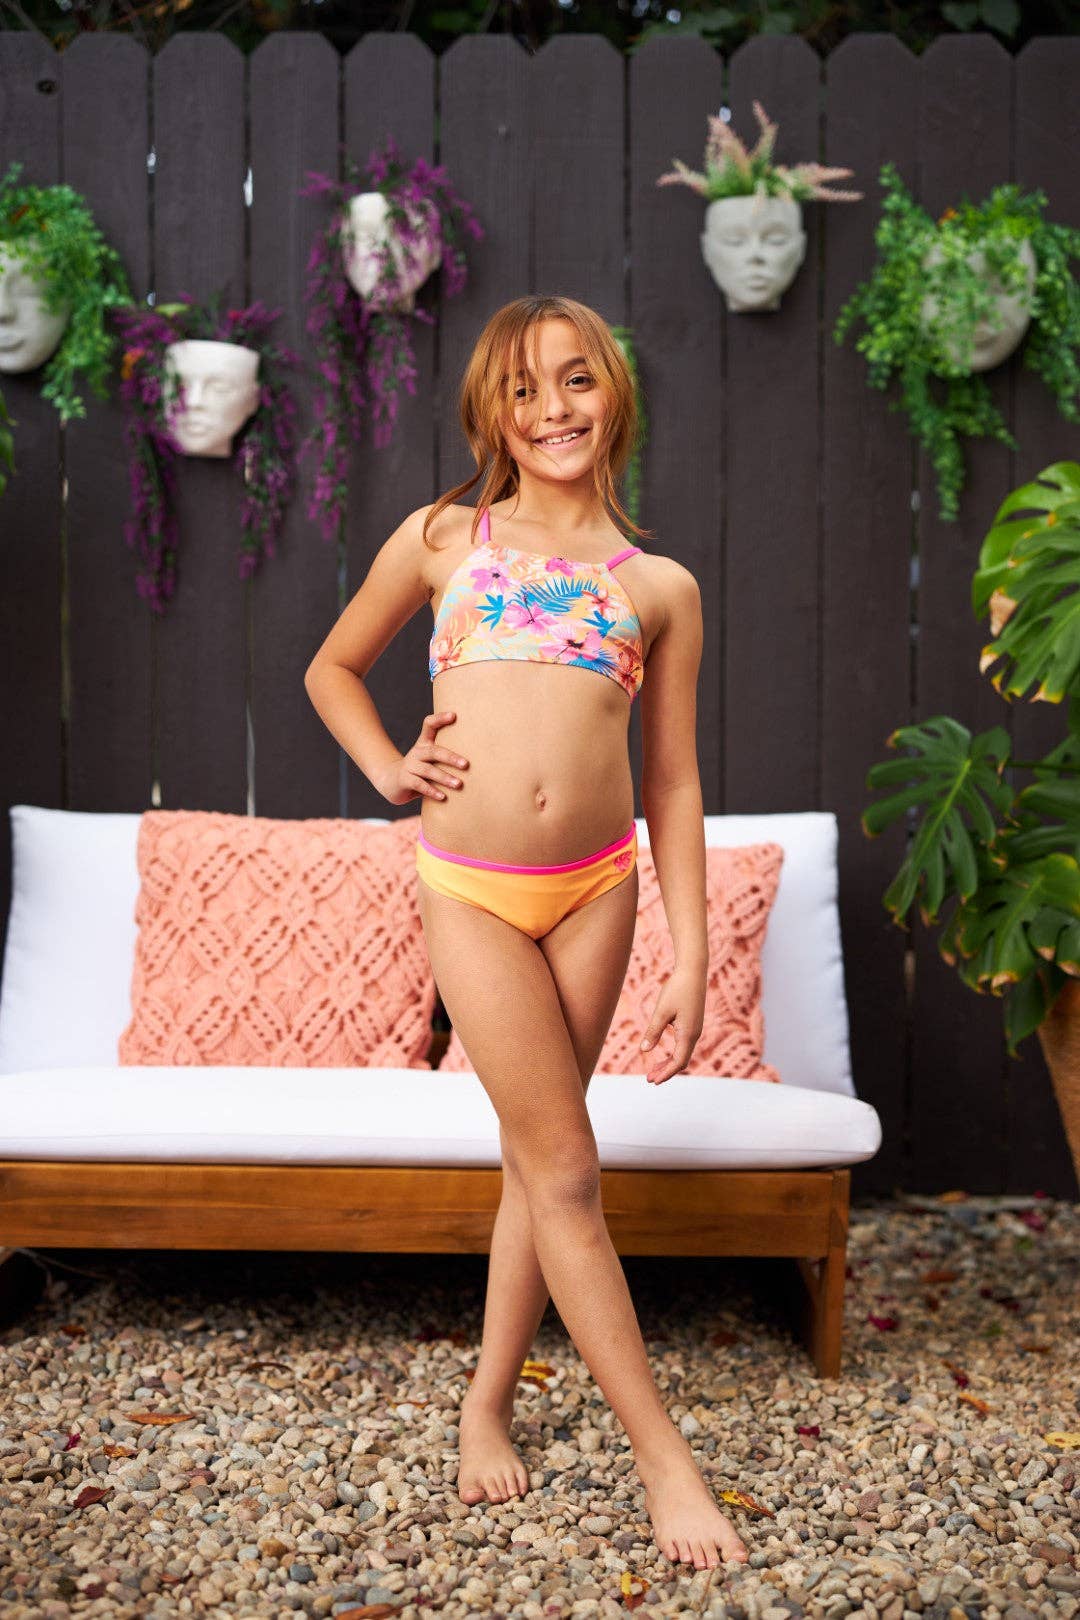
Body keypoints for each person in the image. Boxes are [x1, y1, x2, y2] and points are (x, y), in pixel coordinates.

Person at [303, 293, 749, 1571]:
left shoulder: (658, 587)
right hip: (473, 889)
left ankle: (487, 1403)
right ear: (491, 415)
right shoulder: (447, 539)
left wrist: (692, 952)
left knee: (533, 1164)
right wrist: (388, 764)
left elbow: (673, 781)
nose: (553, 409)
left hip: (598, 892)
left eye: (576, 381)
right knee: (566, 1170)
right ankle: (665, 1461)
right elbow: (331, 667)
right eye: (523, 390)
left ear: (616, 392)